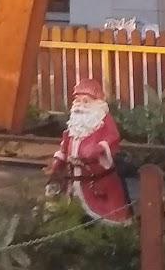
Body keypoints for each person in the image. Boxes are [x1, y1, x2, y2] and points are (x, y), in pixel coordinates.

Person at [46, 78, 132, 224]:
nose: (81, 105)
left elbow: (113, 138)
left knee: (107, 216)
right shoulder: (75, 124)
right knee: (74, 213)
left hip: (99, 183)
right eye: (78, 101)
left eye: (86, 101)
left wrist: (98, 148)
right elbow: (65, 144)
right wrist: (58, 162)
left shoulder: (103, 121)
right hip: (75, 180)